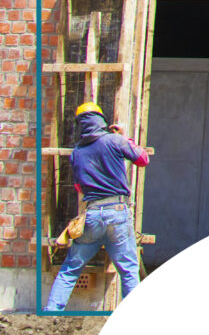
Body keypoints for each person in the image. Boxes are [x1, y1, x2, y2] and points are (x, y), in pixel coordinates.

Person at [45, 102, 149, 312]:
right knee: (128, 269)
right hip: (118, 213)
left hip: (92, 215)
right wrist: (125, 137)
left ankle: (52, 311)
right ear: (101, 120)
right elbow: (142, 159)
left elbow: (79, 187)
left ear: (80, 124)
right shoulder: (114, 140)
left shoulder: (77, 152)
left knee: (70, 269)